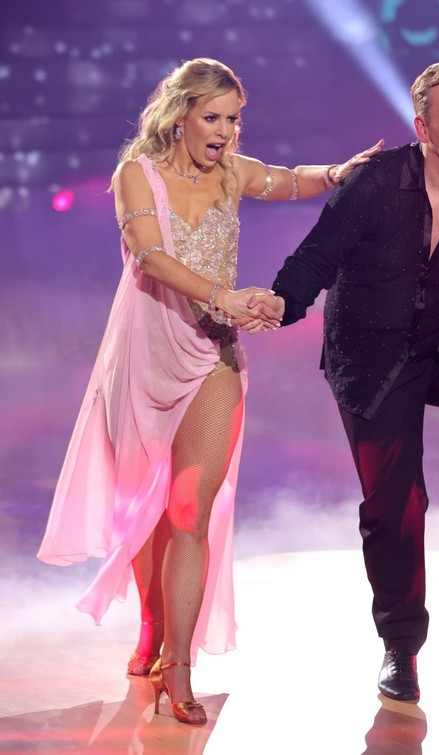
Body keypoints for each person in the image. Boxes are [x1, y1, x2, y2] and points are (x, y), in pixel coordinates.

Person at [37, 57, 381, 725]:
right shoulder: (136, 173)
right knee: (145, 512)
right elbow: (150, 256)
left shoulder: (231, 170)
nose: (227, 132)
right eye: (214, 117)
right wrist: (227, 293)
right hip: (142, 357)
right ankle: (151, 625)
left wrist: (335, 173)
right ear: (180, 115)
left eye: (235, 119)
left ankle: (180, 663)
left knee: (189, 507)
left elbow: (287, 180)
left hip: (212, 354)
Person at [247, 61, 439, 702]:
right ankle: (400, 646)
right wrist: (283, 302)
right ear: (423, 127)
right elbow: (318, 254)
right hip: (370, 354)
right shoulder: (377, 182)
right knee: (395, 505)